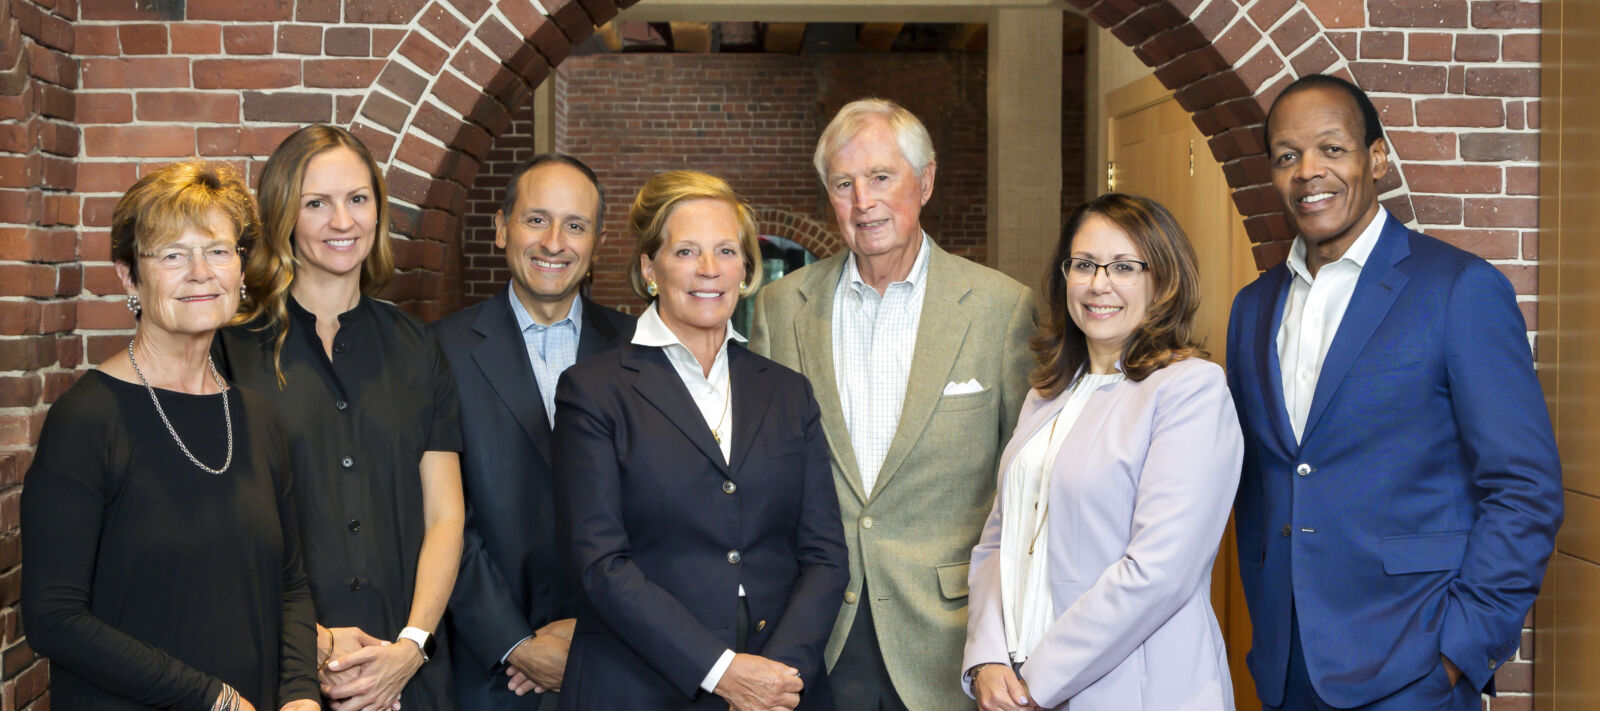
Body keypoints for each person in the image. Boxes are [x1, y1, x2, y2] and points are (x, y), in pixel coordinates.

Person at [1226, 73, 1563, 710]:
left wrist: (1461, 652)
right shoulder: (1252, 308)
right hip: (1285, 664)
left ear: (1376, 159)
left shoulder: (1458, 289)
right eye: (1287, 157)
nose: (1308, 172)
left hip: (1415, 667)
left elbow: (1524, 487)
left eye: (1332, 148)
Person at [749, 98, 1033, 711]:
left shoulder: (1000, 308)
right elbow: (760, 475)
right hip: (815, 632)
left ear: (925, 181)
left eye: (882, 177)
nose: (863, 202)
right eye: (843, 183)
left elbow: (1028, 490)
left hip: (953, 638)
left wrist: (1011, 638)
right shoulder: (779, 306)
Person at [20, 161, 319, 711]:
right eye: (173, 255)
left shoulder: (258, 419)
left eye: (218, 251)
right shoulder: (86, 420)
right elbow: (52, 618)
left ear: (241, 268)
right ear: (129, 276)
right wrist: (211, 698)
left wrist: (300, 694)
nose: (200, 272)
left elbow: (291, 585)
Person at [552, 170, 848, 710]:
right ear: (650, 268)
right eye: (686, 251)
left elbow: (825, 555)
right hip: (641, 682)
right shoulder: (593, 391)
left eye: (726, 251)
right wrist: (722, 673)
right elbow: (601, 564)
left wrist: (777, 678)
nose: (709, 270)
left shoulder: (787, 391)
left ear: (745, 267)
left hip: (780, 688)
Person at [214, 124, 466, 711]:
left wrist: (410, 647)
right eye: (316, 203)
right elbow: (224, 528)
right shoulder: (231, 350)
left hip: (410, 670)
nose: (343, 221)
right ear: (283, 215)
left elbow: (445, 514)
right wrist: (317, 642)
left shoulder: (417, 347)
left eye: (357, 199)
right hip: (284, 668)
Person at [961, 193, 1243, 711]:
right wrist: (988, 658)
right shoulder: (1046, 394)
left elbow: (1158, 572)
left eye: (1123, 267)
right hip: (1019, 686)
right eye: (1084, 264)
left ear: (1163, 279)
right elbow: (997, 542)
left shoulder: (1190, 390)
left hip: (1139, 689)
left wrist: (1036, 679)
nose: (1098, 283)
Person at [433, 153, 635, 710]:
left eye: (576, 225)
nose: (554, 242)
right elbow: (440, 517)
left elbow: (657, 510)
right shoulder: (439, 351)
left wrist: (590, 631)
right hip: (487, 673)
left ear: (595, 242)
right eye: (536, 219)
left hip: (616, 662)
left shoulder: (639, 349)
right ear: (501, 229)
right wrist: (514, 643)